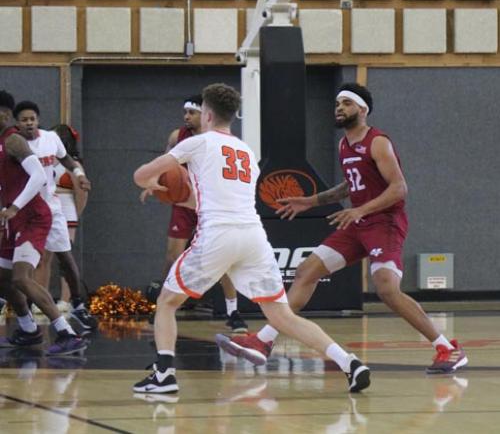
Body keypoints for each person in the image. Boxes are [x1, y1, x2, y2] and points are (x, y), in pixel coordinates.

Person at [132, 83, 370, 394]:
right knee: (281, 315)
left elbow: (140, 174)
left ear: (206, 114)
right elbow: (210, 198)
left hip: (218, 235)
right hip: (253, 237)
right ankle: (349, 362)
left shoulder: (198, 144)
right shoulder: (246, 151)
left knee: (167, 302)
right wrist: (178, 194)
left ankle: (163, 375)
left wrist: (155, 184)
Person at [221, 83, 468, 375]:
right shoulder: (343, 145)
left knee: (387, 288)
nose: (339, 108)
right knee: (306, 271)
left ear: (362, 109)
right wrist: (311, 201)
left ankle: (448, 349)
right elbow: (351, 186)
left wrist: (361, 209)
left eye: (347, 103)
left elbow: (399, 188)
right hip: (358, 223)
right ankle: (264, 340)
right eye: (337, 103)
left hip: (383, 223)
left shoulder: (378, 142)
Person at [0, 91, 86, 354]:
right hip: (13, 218)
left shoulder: (13, 141)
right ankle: (28, 330)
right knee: (4, 279)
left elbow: (38, 176)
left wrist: (14, 207)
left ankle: (67, 333)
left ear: (3, 114)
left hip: (33, 216)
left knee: (22, 278)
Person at [161, 95, 247, 333]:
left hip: (211, 203)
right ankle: (166, 307)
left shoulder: (219, 139)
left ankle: (233, 312)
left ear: (205, 114)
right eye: (185, 112)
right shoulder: (177, 136)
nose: (187, 117)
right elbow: (165, 166)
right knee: (172, 255)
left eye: (192, 112)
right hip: (184, 202)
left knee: (223, 260)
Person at [13, 101, 96, 331]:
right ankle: (27, 311)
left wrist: (78, 174)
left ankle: (78, 305)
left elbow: (67, 159)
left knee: (65, 258)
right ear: (17, 124)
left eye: (32, 119)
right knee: (25, 265)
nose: (29, 123)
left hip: (51, 207)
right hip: (25, 211)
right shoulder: (14, 145)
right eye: (24, 120)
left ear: (38, 120)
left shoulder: (50, 138)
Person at [51, 124, 88, 313]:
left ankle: (65, 301)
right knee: (42, 258)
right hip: (46, 210)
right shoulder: (47, 161)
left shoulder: (73, 164)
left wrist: (75, 214)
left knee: (64, 259)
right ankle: (42, 300)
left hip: (66, 211)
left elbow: (81, 195)